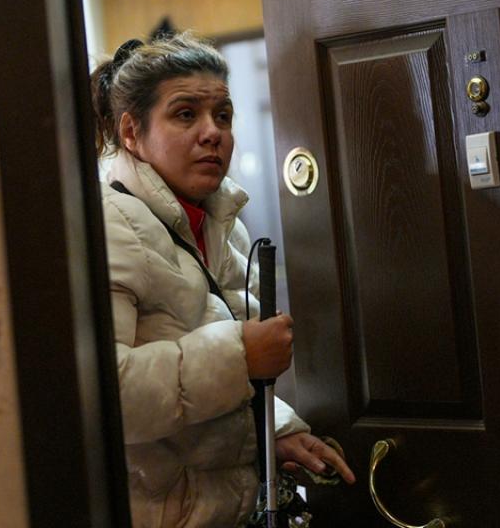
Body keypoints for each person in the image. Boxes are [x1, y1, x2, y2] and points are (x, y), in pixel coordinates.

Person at [91, 32, 355, 527]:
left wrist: (278, 430)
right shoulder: (107, 225)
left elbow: (221, 375)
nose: (212, 132)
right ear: (131, 131)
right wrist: (239, 355)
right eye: (185, 114)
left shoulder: (220, 224)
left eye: (223, 115)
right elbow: (102, 395)